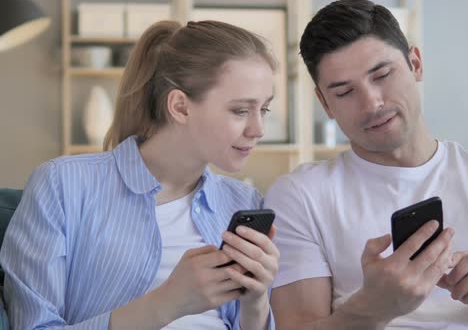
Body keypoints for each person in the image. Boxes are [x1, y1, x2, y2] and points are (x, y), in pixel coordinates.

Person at [265, 0, 468, 329]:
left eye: (382, 75)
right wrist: (373, 307)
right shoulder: (299, 195)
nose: (372, 103)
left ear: (415, 64)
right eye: (345, 92)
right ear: (325, 104)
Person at [0, 20, 279, 330]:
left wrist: (255, 302)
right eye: (241, 110)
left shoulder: (242, 200)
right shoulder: (63, 185)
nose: (258, 130)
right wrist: (166, 303)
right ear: (180, 107)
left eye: (264, 109)